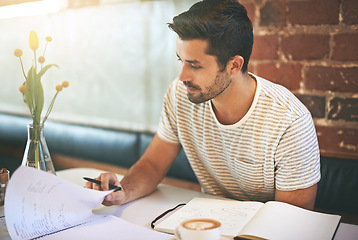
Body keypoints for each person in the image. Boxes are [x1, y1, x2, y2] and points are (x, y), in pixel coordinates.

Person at [86, 0, 320, 210]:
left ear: (234, 66)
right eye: (181, 61)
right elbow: (153, 164)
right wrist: (122, 192)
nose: (182, 76)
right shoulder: (181, 94)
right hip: (206, 224)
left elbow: (291, 220)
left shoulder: (289, 121)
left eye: (195, 65)